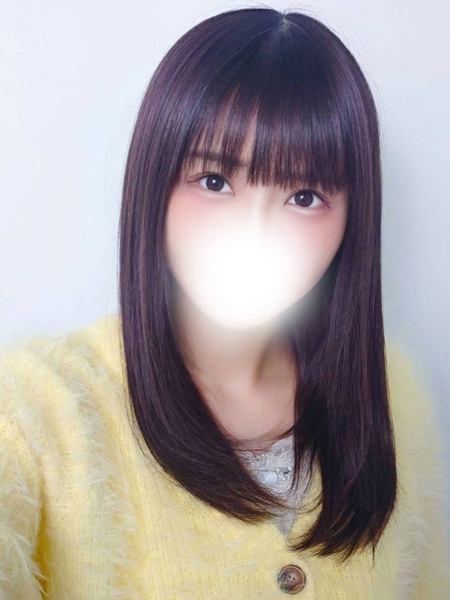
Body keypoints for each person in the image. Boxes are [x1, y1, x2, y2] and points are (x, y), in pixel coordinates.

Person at [1, 7, 449, 599]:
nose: (253, 235)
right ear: (154, 183)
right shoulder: (32, 411)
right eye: (215, 181)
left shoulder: (393, 392)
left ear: (352, 221)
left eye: (304, 196)